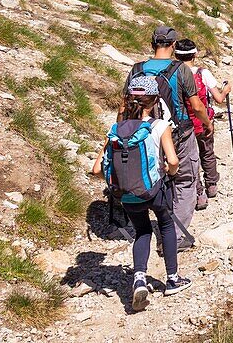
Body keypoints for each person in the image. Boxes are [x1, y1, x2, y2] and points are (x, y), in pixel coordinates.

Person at [92, 76, 192, 311]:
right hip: (154, 189)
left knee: (142, 231)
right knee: (165, 225)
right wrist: (169, 170)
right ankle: (173, 278)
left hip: (127, 194)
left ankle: (139, 278)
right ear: (155, 100)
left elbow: (96, 169)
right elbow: (174, 161)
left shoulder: (115, 129)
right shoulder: (159, 126)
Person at [123, 26, 213, 250]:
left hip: (143, 134)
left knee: (153, 177)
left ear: (152, 44)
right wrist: (207, 123)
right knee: (184, 180)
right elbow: (196, 105)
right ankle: (175, 238)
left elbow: (124, 106)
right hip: (179, 134)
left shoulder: (136, 69)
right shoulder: (180, 69)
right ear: (173, 46)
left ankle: (149, 227)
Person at [173, 39, 230, 211]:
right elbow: (219, 99)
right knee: (207, 151)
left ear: (176, 55)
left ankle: (199, 194)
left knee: (190, 159)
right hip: (202, 120)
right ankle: (211, 184)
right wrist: (226, 89)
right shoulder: (202, 73)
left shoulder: (172, 74)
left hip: (181, 124)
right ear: (195, 54)